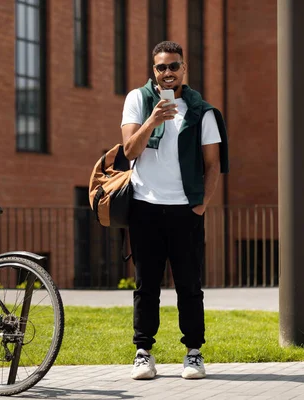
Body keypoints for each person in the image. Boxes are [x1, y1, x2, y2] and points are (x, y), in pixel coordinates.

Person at [120, 41, 229, 380]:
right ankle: (143, 353)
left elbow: (212, 165)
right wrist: (152, 120)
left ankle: (193, 353)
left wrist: (201, 206)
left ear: (185, 69)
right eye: (161, 67)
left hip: (185, 211)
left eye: (174, 66)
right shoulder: (138, 100)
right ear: (153, 71)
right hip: (145, 207)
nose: (167, 73)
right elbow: (129, 149)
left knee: (189, 285)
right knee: (146, 285)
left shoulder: (202, 112)